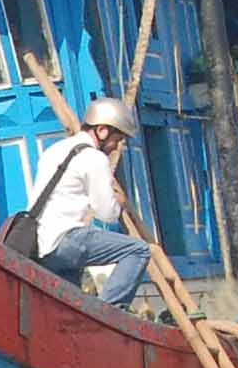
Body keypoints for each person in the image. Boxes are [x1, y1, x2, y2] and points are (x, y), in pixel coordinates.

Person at [28, 97, 152, 310]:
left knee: (71, 309)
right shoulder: (94, 158)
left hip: (41, 246)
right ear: (102, 131)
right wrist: (119, 202)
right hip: (67, 239)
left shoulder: (53, 150)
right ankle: (109, 314)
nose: (116, 147)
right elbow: (108, 213)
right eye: (117, 139)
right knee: (139, 250)